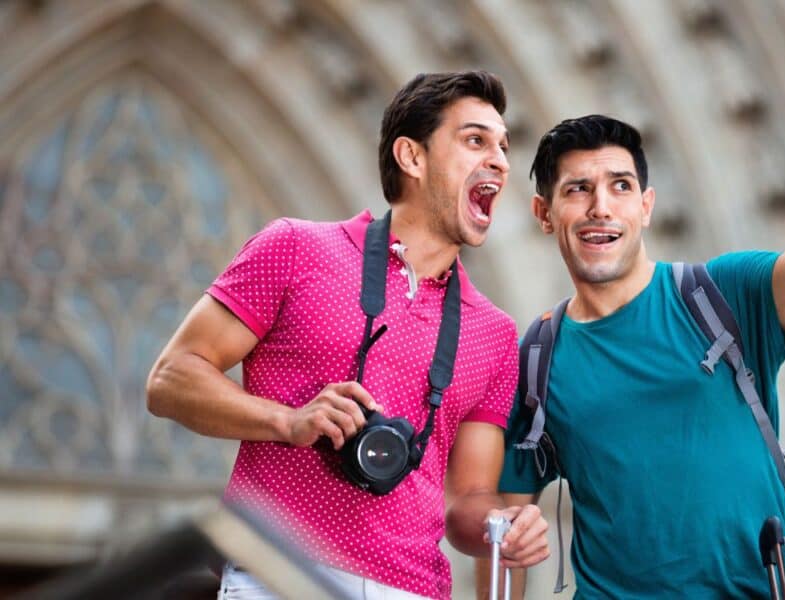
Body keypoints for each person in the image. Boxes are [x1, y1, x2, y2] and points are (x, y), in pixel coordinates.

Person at [146, 71, 549, 600]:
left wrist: (507, 527)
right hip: (278, 576)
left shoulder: (493, 333)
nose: (499, 159)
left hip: (415, 590)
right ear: (412, 157)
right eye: (475, 140)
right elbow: (170, 379)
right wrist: (287, 421)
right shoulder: (294, 247)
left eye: (503, 146)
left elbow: (468, 499)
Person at [492, 71, 785, 598]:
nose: (600, 207)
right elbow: (505, 535)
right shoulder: (535, 361)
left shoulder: (724, 293)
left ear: (646, 207)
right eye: (578, 190)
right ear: (543, 213)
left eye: (620, 187)